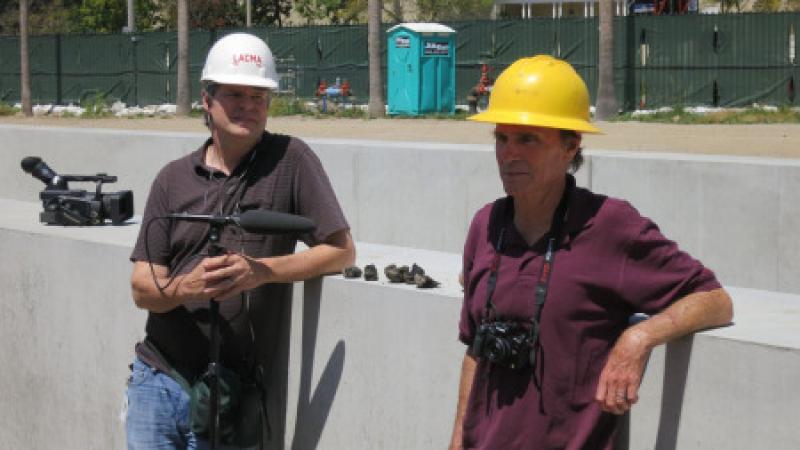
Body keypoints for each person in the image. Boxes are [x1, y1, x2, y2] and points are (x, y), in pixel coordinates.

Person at [448, 55, 733, 450]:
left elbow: (715, 300)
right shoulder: (486, 225)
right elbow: (474, 351)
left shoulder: (610, 225)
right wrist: (457, 441)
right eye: (502, 137)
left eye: (528, 138)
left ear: (571, 145)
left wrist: (639, 338)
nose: (509, 153)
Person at [125, 33, 355, 450]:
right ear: (206, 99)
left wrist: (260, 273)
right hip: (159, 379)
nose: (248, 105)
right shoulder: (172, 179)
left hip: (230, 394)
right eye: (234, 94)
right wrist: (188, 287)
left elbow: (341, 250)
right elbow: (143, 287)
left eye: (258, 95)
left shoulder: (291, 161)